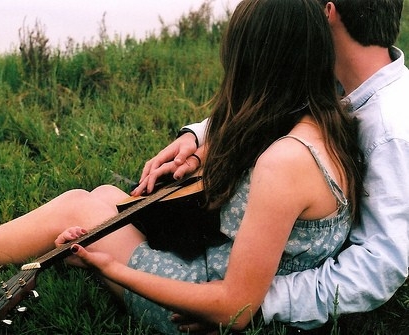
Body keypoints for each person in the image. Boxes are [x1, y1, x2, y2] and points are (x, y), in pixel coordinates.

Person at [0, 0, 365, 332]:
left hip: (194, 309)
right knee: (105, 198)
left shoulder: (286, 162)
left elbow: (236, 307)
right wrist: (199, 151)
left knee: (80, 210)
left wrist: (109, 267)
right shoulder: (329, 118)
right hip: (217, 267)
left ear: (253, 61)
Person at [139, 0, 409, 331]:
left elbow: (381, 264)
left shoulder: (391, 131)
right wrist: (197, 137)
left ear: (327, 11)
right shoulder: (340, 77)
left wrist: (257, 302)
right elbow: (280, 99)